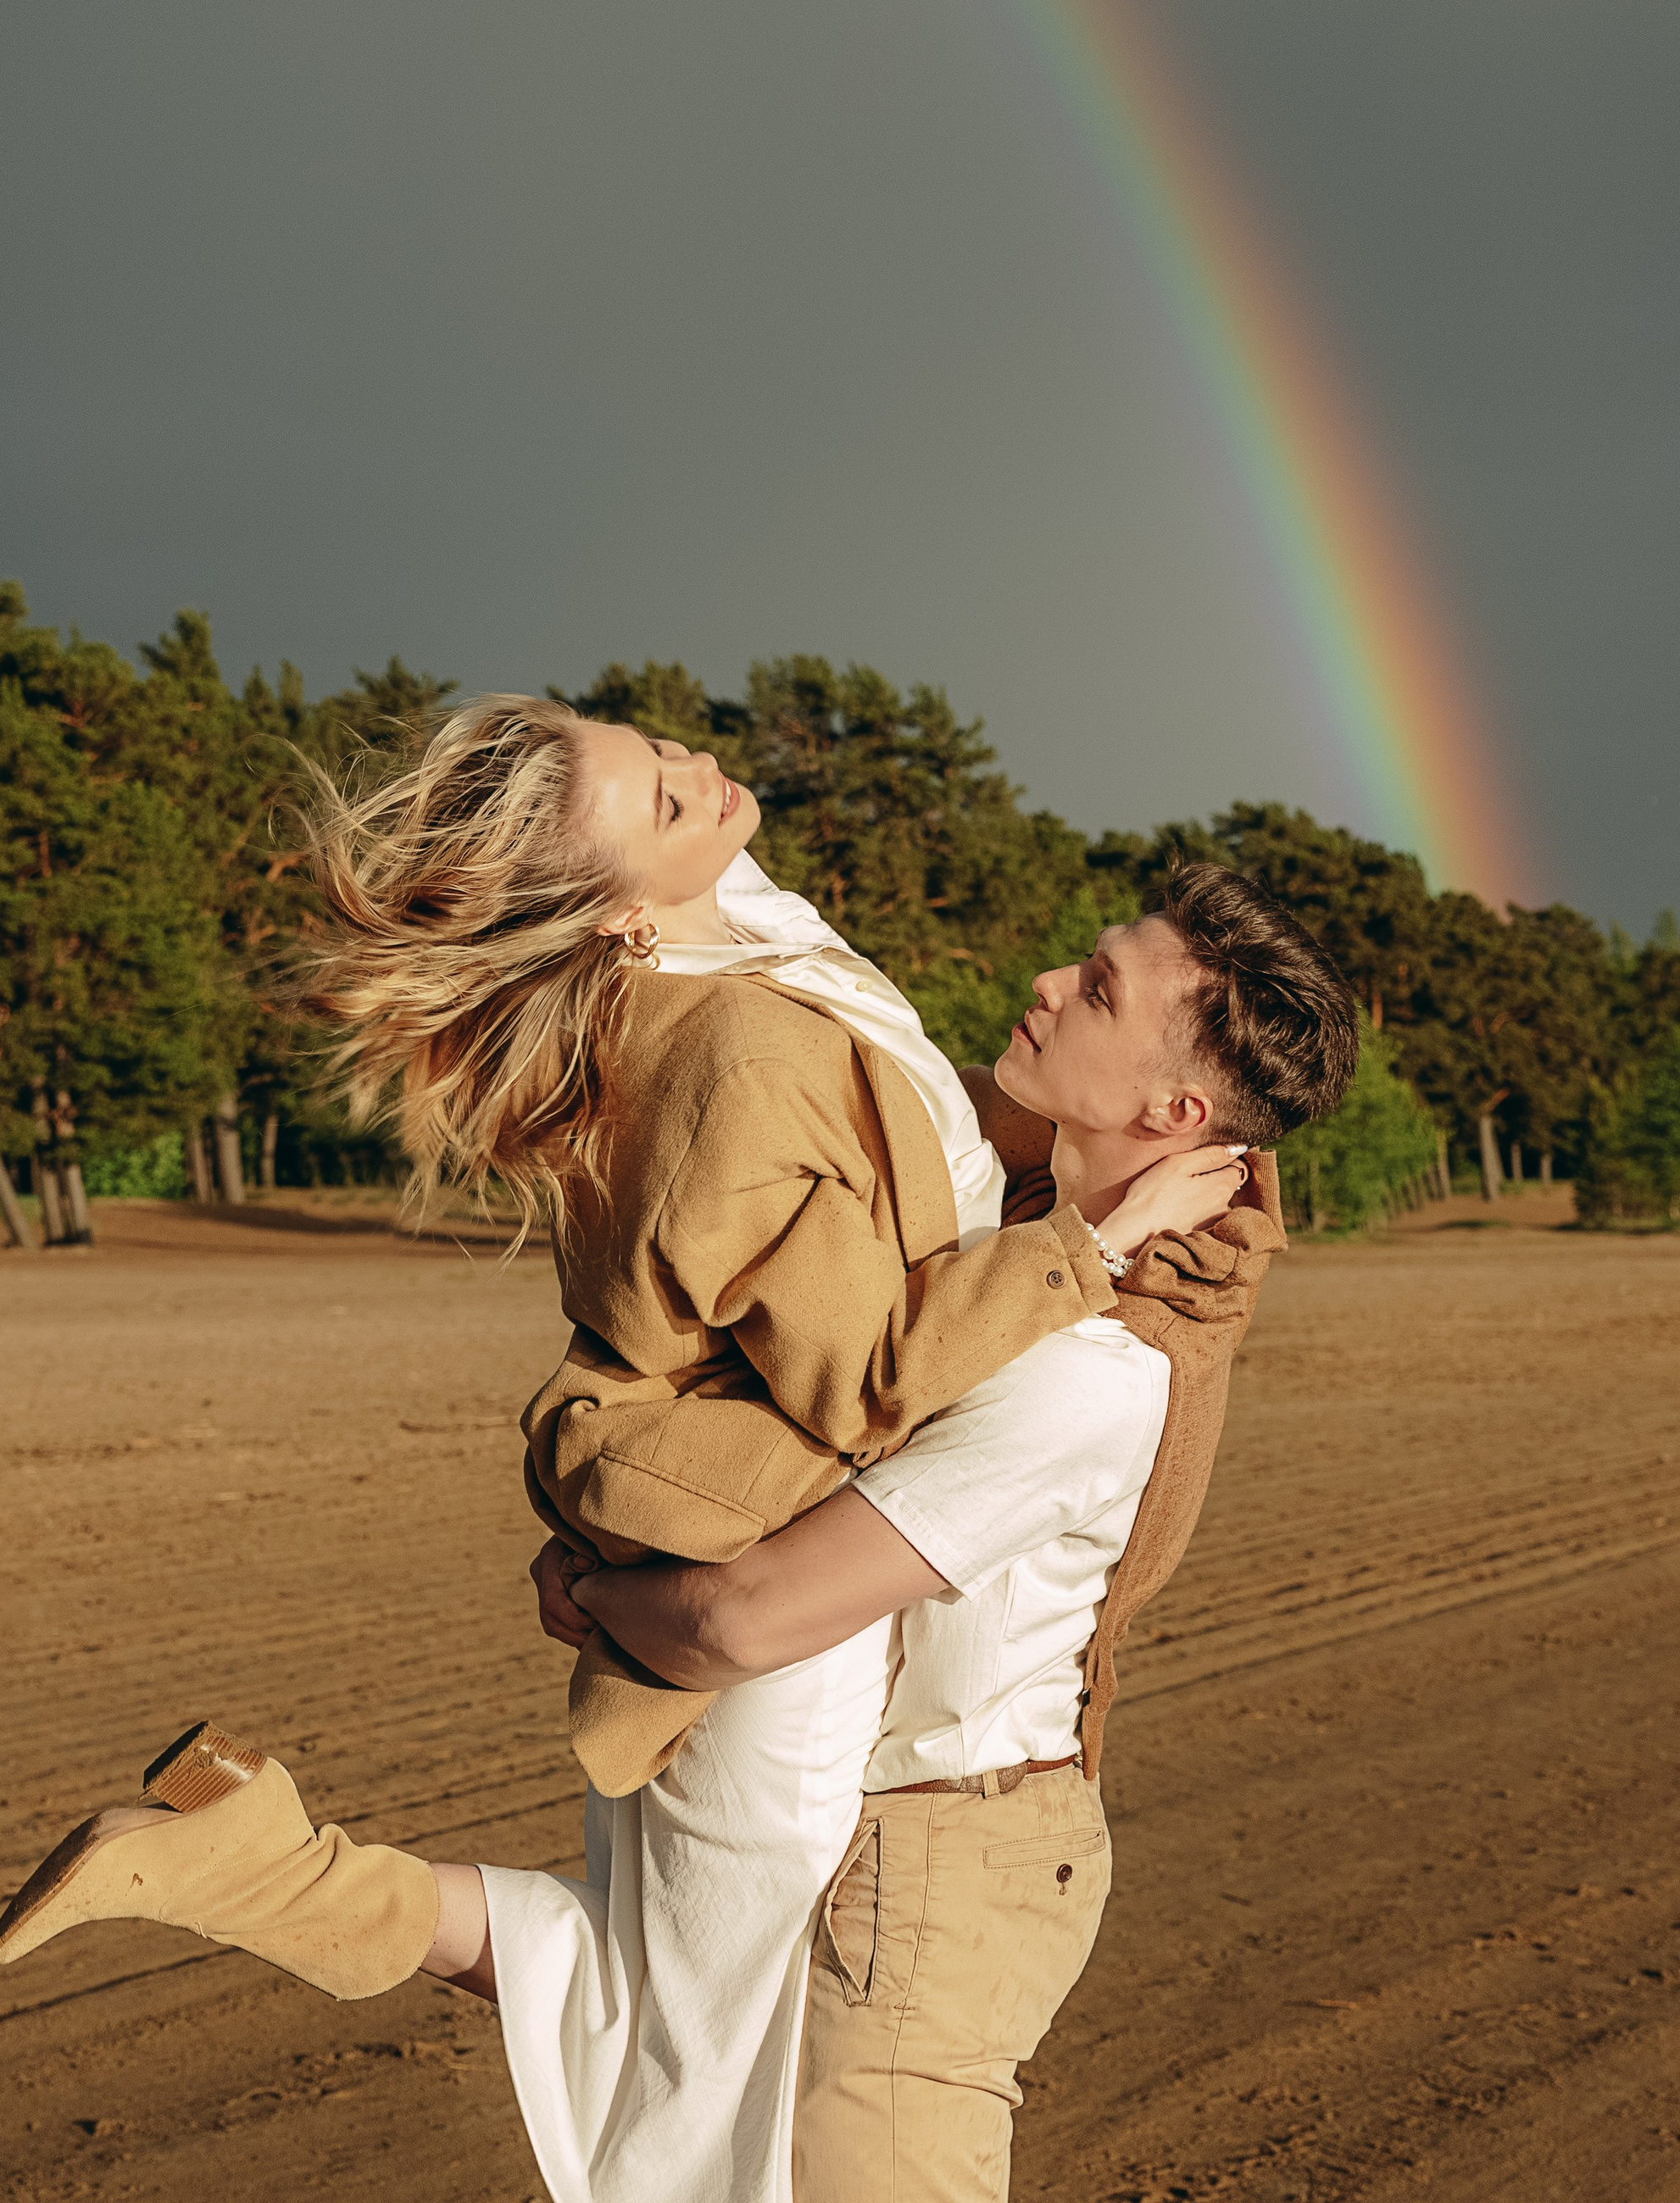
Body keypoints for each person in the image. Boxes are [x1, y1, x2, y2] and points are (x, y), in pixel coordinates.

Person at [0, 699, 1254, 2203]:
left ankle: (259, 1862)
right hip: (778, 1637)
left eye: (654, 744)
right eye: (661, 795)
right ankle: (257, 1867)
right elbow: (864, 1380)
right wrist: (1096, 1246)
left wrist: (1176, 1204)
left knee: (657, 1991)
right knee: (694, 2051)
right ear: (618, 916)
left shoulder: (752, 943)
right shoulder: (745, 1054)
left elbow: (902, 1090)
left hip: (749, 1607)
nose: (700, 770)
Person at [538, 864, 1357, 2200]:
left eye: (1098, 991)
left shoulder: (1090, 1369)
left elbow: (745, 1619)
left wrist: (594, 1587)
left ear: (1177, 1113)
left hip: (936, 1874)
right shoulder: (1007, 1219)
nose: (1048, 982)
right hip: (870, 1840)